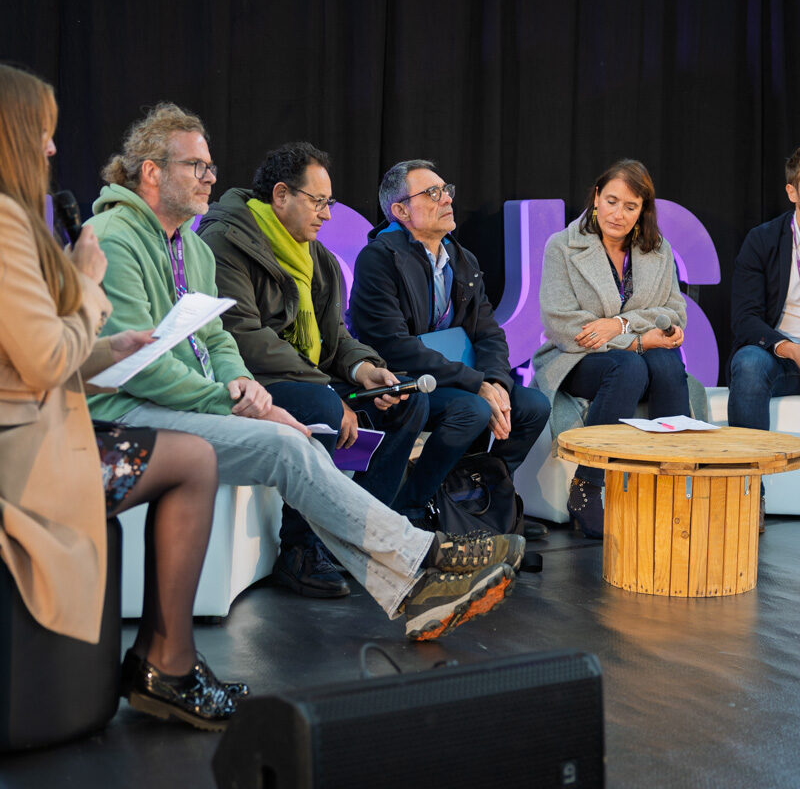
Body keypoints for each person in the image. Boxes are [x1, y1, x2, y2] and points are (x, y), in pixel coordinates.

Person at [85, 102, 522, 643]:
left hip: (200, 399)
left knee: (363, 418)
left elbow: (218, 337)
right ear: (151, 171)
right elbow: (141, 366)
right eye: (196, 166)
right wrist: (240, 397)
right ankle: (418, 556)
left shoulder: (192, 248)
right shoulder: (114, 237)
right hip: (129, 412)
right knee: (295, 440)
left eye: (211, 165)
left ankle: (411, 580)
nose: (211, 176)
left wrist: (347, 370)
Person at [0, 63, 246, 732]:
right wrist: (83, 283)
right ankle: (167, 665)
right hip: (21, 457)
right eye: (44, 133)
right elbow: (48, 358)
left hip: (38, 427)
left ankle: (166, 661)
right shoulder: (6, 225)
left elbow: (42, 352)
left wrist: (117, 346)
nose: (53, 148)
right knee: (193, 460)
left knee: (195, 455)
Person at [197, 142, 426, 598]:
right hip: (248, 380)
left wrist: (364, 369)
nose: (326, 214)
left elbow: (334, 335)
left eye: (330, 203)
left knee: (407, 402)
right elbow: (242, 335)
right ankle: (299, 551)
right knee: (321, 405)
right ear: (281, 195)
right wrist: (329, 387)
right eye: (317, 202)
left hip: (301, 373)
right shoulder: (225, 241)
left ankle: (359, 545)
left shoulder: (316, 256)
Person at [348, 159, 550, 531]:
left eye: (446, 191)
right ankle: (414, 504)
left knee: (533, 406)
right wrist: (476, 383)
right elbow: (393, 346)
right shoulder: (379, 258)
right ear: (400, 210)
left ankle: (479, 498)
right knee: (471, 410)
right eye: (432, 193)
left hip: (457, 377)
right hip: (403, 379)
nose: (446, 200)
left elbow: (488, 333)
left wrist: (497, 384)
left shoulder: (462, 258)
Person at [533, 159, 689, 537]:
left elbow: (675, 311)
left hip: (635, 350)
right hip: (578, 359)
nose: (618, 214)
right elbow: (565, 325)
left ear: (642, 211)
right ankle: (587, 487)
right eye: (612, 201)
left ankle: (671, 484)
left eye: (630, 206)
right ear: (597, 197)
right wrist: (638, 340)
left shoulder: (657, 249)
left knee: (667, 364)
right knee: (630, 367)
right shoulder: (563, 247)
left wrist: (621, 326)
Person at [727, 146, 800, 533]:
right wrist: (789, 348)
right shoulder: (764, 240)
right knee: (749, 365)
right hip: (780, 353)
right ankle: (748, 494)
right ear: (792, 192)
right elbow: (745, 319)